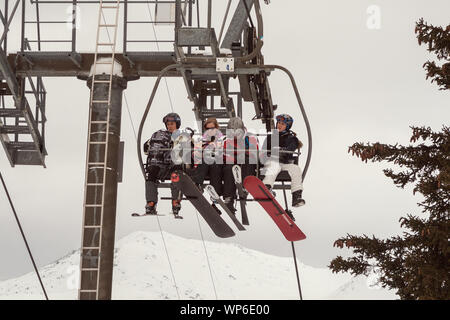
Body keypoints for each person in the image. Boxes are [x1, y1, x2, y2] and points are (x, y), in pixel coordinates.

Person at [143, 112, 183, 218]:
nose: (169, 126)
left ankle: (175, 201)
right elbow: (146, 149)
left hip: (173, 166)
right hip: (160, 165)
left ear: (177, 125)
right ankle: (151, 203)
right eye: (168, 124)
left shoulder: (181, 136)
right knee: (151, 173)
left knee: (176, 174)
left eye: (172, 124)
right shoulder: (159, 135)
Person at [261, 114, 305, 207]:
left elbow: (290, 149)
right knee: (274, 167)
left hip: (284, 162)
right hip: (272, 161)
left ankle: (296, 196)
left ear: (287, 126)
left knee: (295, 169)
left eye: (283, 124)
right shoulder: (270, 137)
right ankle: (267, 188)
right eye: (279, 123)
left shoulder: (292, 138)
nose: (279, 125)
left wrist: (282, 150)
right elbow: (263, 151)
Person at [222, 117, 258, 213]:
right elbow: (225, 155)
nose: (234, 136)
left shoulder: (250, 139)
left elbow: (254, 153)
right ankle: (229, 197)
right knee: (228, 168)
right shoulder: (227, 141)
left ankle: (245, 188)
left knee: (248, 160)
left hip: (246, 163)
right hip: (233, 163)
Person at [191, 117, 224, 214]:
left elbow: (225, 153)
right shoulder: (201, 140)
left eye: (212, 128)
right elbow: (195, 155)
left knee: (214, 164)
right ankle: (198, 185)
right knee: (206, 159)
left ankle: (214, 199)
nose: (210, 131)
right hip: (204, 166)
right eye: (208, 129)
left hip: (216, 165)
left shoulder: (222, 140)